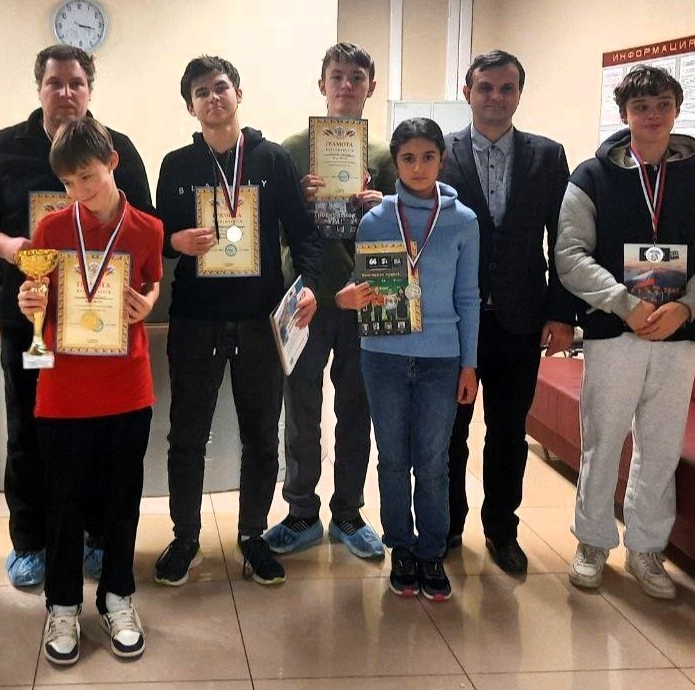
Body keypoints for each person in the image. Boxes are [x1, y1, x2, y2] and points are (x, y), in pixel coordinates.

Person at [0, 45, 154, 588]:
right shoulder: (6, 147)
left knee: (96, 433)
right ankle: (31, 542)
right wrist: (9, 247)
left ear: (90, 89)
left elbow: (145, 225)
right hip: (31, 320)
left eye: (76, 83)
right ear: (40, 88)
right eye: (55, 83)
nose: (66, 92)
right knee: (28, 428)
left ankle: (95, 536)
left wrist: (145, 296)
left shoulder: (117, 148)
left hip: (101, 326)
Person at [556, 64, 695, 599]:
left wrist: (688, 306)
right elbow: (569, 255)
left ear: (677, 111)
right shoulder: (591, 177)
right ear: (624, 114)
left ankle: (647, 547)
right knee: (603, 439)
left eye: (662, 105)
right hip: (615, 333)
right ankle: (592, 541)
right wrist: (624, 304)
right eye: (641, 107)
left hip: (678, 334)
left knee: (661, 445)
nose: (652, 116)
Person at [154, 54, 321, 587]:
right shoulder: (177, 165)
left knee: (262, 437)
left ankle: (252, 536)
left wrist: (311, 286)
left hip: (259, 319)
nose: (213, 97)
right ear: (191, 107)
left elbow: (303, 233)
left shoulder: (273, 159)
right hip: (196, 318)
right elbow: (158, 236)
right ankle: (185, 538)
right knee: (187, 435)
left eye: (220, 87)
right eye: (201, 92)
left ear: (238, 94)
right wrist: (175, 240)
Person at [17, 117, 163, 665]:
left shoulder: (147, 228)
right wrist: (28, 304)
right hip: (64, 389)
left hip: (127, 386)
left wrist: (148, 302)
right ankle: (62, 604)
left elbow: (152, 280)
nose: (79, 191)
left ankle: (118, 595)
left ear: (112, 163)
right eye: (69, 183)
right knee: (63, 504)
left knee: (122, 499)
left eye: (88, 177)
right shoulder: (52, 229)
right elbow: (38, 300)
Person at [438, 50, 577, 574]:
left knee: (507, 432)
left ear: (519, 93)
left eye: (506, 88)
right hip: (454, 321)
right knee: (449, 432)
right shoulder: (440, 152)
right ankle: (447, 524)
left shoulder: (547, 156)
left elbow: (563, 239)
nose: (495, 97)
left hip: (520, 319)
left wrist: (561, 313)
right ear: (468, 92)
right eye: (485, 87)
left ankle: (501, 530)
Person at [337, 117, 480, 602]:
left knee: (433, 461)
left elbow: (468, 296)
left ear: (442, 159)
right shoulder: (376, 219)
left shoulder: (463, 221)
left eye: (428, 157)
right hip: (384, 356)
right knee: (393, 459)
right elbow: (361, 285)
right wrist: (348, 297)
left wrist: (469, 364)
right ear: (395, 163)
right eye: (408, 158)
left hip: (442, 359)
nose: (418, 167)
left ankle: (431, 551)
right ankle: (400, 545)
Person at [264, 42, 391, 559]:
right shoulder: (290, 152)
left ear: (370, 87)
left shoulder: (385, 155)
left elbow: (403, 236)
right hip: (308, 300)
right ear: (322, 84)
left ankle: (349, 513)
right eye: (337, 76)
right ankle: (300, 513)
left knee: (356, 409)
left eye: (356, 77)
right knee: (301, 410)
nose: (346, 85)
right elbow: (268, 230)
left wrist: (384, 206)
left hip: (364, 299)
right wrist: (298, 198)